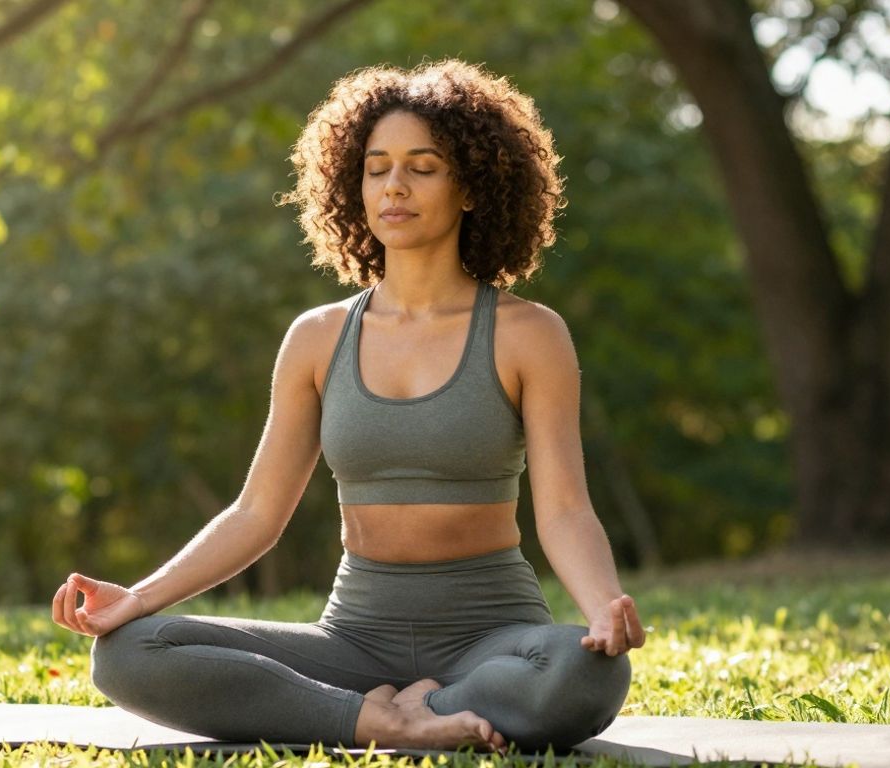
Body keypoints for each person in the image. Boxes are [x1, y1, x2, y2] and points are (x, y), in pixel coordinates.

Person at [50, 59, 645, 754]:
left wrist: (604, 607)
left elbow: (566, 509)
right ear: (352, 184)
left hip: (492, 636)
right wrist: (140, 597)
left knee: (584, 673)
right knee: (128, 653)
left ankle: (431, 705)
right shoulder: (317, 338)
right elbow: (255, 514)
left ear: (472, 188)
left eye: (424, 167)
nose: (395, 185)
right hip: (354, 640)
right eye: (376, 166)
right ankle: (374, 720)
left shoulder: (528, 334)